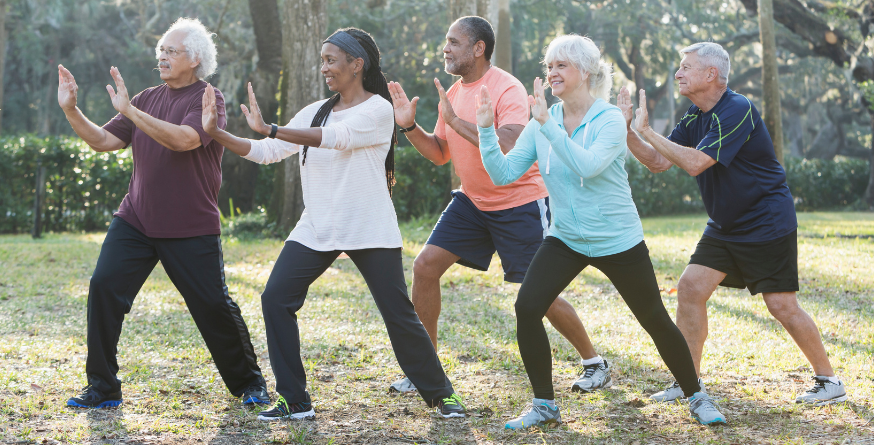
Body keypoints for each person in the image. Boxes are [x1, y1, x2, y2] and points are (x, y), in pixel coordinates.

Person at [201, 27, 467, 421]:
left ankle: (441, 395)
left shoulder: (378, 110)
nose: (324, 67)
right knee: (275, 298)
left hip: (368, 226)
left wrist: (271, 126)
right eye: (322, 60)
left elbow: (336, 138)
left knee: (398, 313)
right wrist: (217, 133)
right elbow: (268, 151)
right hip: (318, 227)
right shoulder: (315, 110)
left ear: (356, 64)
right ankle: (295, 399)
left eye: (331, 60)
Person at [476, 35, 727, 428]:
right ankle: (544, 404)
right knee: (527, 307)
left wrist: (547, 125)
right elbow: (503, 173)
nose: (552, 73)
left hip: (617, 239)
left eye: (562, 65)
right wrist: (485, 131)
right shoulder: (543, 119)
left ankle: (697, 395)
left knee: (654, 319)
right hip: (567, 238)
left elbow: (587, 166)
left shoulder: (608, 118)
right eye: (549, 66)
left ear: (587, 72)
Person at [387, 16, 610, 395]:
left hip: (518, 201)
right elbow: (441, 154)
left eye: (454, 42)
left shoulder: (505, 86)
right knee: (425, 267)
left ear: (478, 48)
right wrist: (409, 127)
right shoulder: (454, 94)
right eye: (447, 41)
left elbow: (507, 142)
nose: (446, 49)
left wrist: (456, 122)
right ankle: (426, 368)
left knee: (541, 294)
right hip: (473, 201)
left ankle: (594, 362)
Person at [618, 42, 846, 406]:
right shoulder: (695, 115)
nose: (678, 73)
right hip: (725, 224)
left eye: (685, 67)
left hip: (766, 220)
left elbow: (695, 163)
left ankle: (829, 379)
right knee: (691, 288)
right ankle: (688, 381)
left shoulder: (737, 108)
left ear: (711, 74)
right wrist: (629, 130)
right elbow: (659, 162)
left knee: (782, 305)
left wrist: (647, 131)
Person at [57, 18, 269, 408]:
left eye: (171, 51)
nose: (162, 56)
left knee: (212, 306)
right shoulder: (145, 97)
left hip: (190, 225)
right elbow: (104, 141)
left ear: (195, 59)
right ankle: (103, 387)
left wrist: (132, 114)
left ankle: (250, 383)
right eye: (161, 50)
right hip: (136, 218)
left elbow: (186, 140)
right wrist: (72, 110)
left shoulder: (209, 98)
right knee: (104, 287)